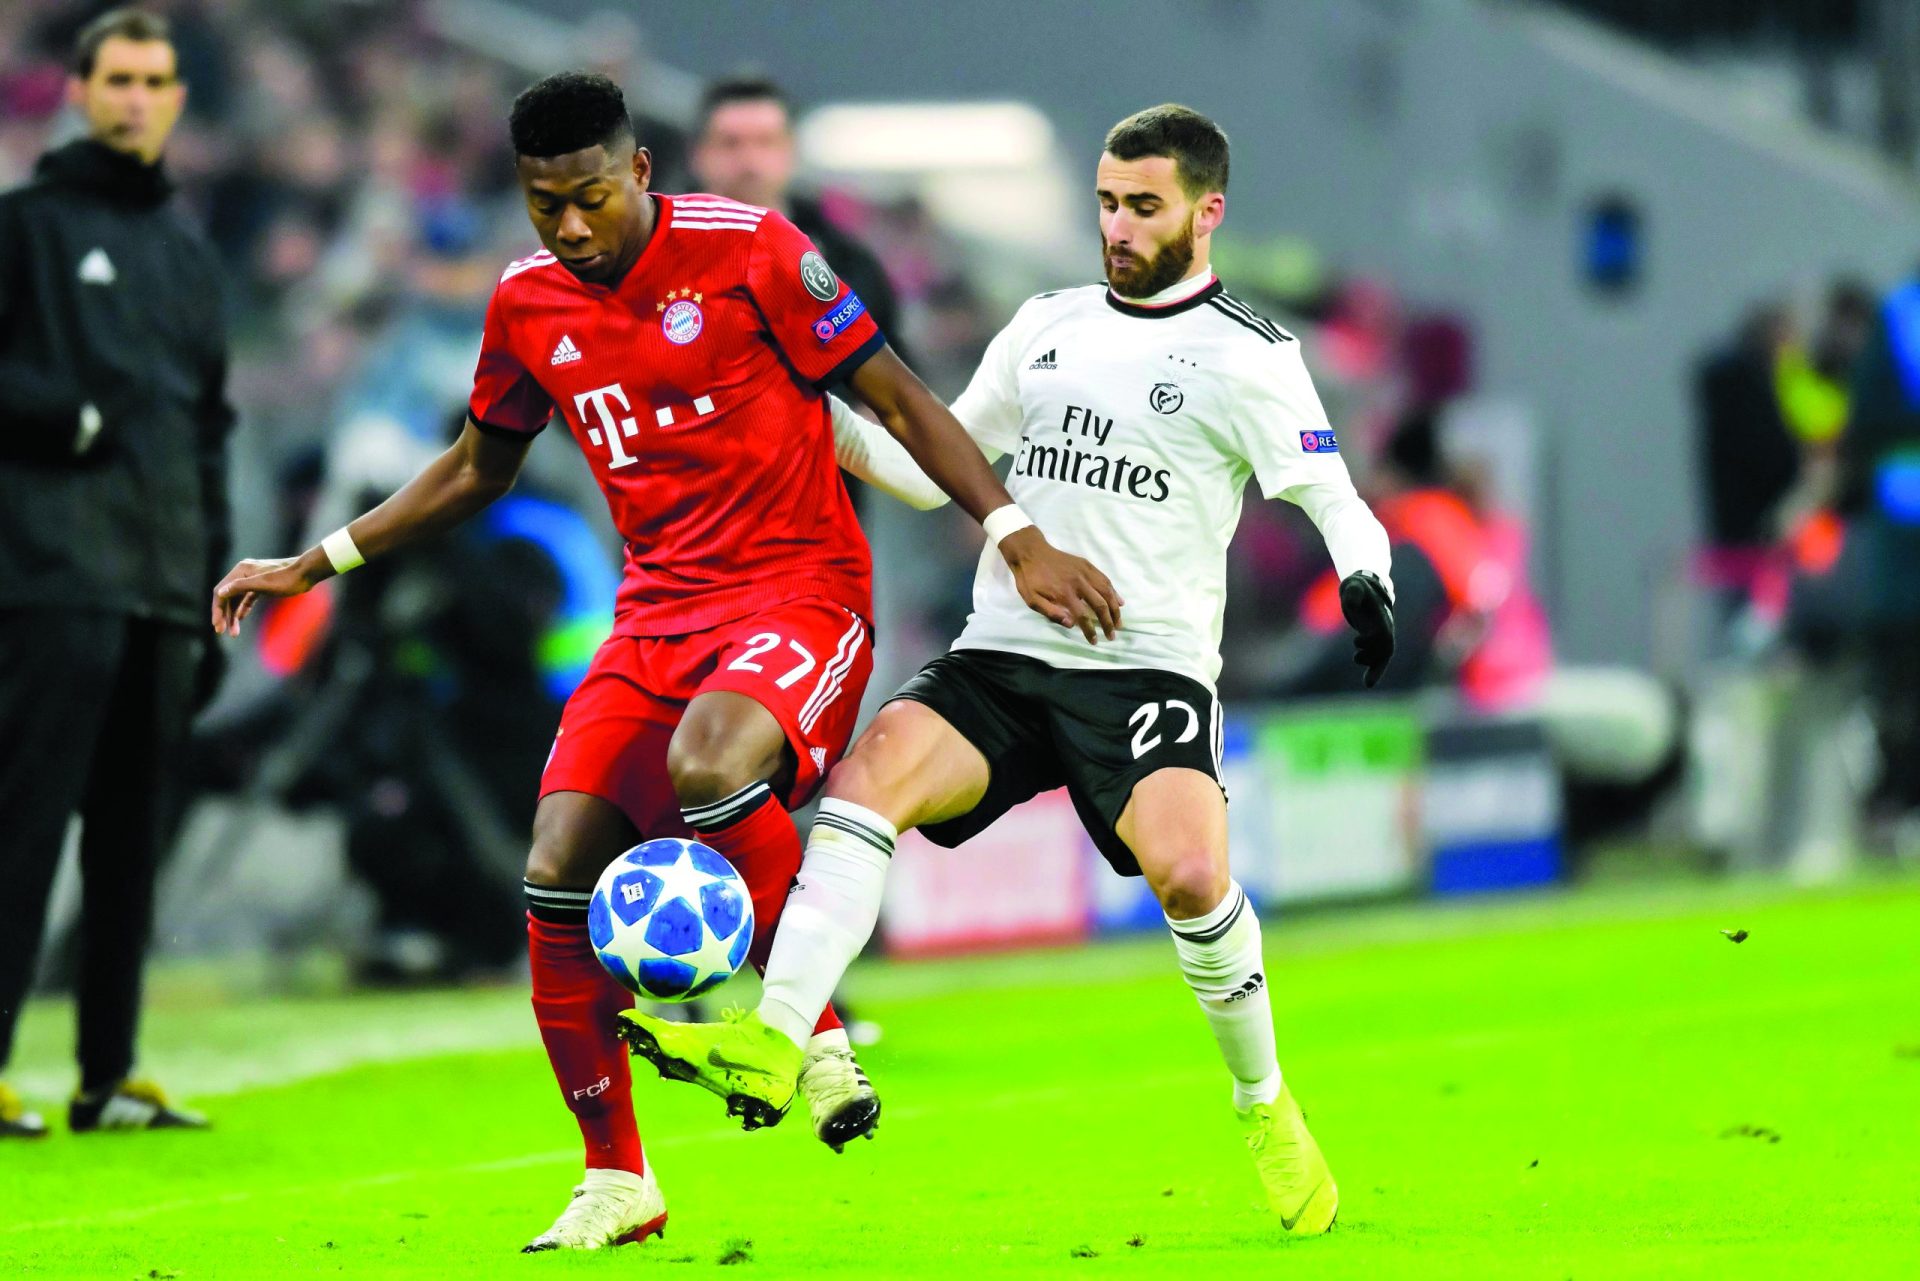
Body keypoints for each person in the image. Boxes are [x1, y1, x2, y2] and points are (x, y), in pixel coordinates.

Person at [210, 72, 1120, 1253]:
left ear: (638, 171)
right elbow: (477, 466)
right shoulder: (529, 302)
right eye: (546, 207)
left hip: (801, 592)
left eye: (590, 197)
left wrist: (1015, 535)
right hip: (656, 617)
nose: (572, 228)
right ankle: (618, 1180)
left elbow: (898, 399)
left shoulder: (757, 254)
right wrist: (317, 561)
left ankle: (815, 1034)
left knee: (712, 765)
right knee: (554, 873)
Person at [616, 104, 1396, 1237]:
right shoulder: (1044, 324)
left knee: (1188, 878)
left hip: (1145, 673)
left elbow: (1333, 497)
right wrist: (802, 409)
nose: (1117, 228)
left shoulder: (1251, 356)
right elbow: (931, 466)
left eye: (1143, 208)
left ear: (1206, 211)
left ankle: (1263, 1101)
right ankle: (778, 1039)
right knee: (867, 783)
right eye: (1105, 205)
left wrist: (1365, 577)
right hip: (1003, 656)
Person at [0, 8, 231, 1140]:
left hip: (161, 584)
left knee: (130, 842)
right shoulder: (24, 229)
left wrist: (214, 581)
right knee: (20, 828)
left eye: (155, 80)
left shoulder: (189, 254)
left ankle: (107, 1073)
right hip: (48, 578)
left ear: (178, 97)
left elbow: (210, 427)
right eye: (118, 78)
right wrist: (70, 418)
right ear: (80, 90)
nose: (137, 97)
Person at [689, 75, 908, 372]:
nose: (749, 161)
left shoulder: (847, 264)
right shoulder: (655, 260)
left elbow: (898, 370)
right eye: (730, 144)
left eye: (765, 142)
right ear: (699, 154)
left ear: (790, 151)